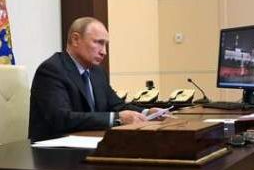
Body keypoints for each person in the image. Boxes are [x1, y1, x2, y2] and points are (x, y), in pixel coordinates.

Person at [29, 17, 159, 141]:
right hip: (54, 150)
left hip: (92, 143)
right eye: (98, 43)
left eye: (105, 45)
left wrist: (147, 113)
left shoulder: (97, 72)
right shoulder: (52, 70)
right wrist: (116, 118)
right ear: (75, 39)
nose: (104, 52)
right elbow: (61, 118)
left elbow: (116, 105)